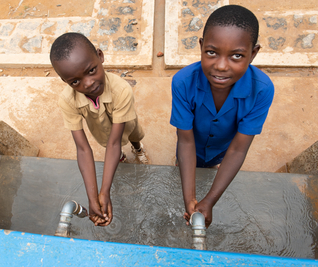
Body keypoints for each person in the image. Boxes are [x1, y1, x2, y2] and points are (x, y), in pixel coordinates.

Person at [170, 5, 274, 228]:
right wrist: (190, 199)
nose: (221, 66)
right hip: (191, 147)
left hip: (223, 151)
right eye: (211, 52)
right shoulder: (182, 82)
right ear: (200, 46)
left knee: (215, 164)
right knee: (184, 162)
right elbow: (185, 140)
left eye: (237, 55)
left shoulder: (262, 90)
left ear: (253, 54)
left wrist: (209, 201)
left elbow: (238, 149)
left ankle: (213, 165)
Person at [50, 32, 150, 227]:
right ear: (65, 82)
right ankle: (121, 157)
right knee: (113, 149)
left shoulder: (121, 90)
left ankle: (138, 149)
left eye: (91, 70)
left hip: (126, 125)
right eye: (75, 82)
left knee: (135, 136)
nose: (88, 83)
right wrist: (93, 198)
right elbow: (83, 149)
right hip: (103, 131)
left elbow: (115, 141)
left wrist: (105, 191)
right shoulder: (67, 100)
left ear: (100, 56)